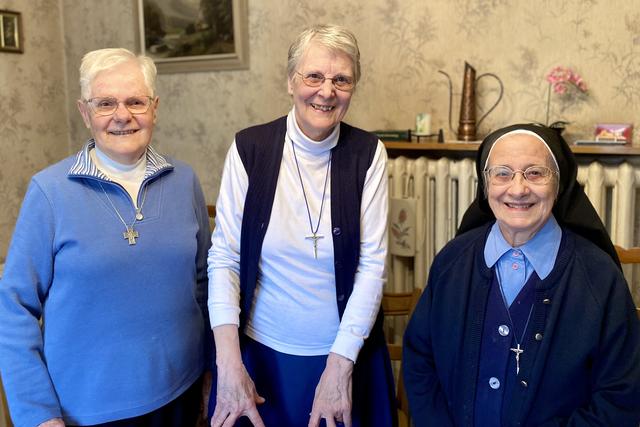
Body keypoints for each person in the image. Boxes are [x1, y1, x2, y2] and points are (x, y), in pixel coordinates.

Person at [0, 48, 212, 427]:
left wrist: (212, 371)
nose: (122, 115)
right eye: (105, 103)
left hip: (182, 395)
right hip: (85, 411)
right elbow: (13, 309)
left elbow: (204, 286)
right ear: (85, 112)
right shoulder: (49, 192)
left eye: (135, 101)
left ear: (155, 107)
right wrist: (37, 414)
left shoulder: (184, 181)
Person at [207, 24, 395, 427]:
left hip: (343, 356)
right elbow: (224, 256)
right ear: (291, 82)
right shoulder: (249, 149)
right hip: (263, 356)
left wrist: (340, 365)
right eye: (313, 76)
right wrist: (228, 361)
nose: (326, 91)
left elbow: (371, 266)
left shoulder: (369, 154)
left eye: (341, 80)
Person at [403, 123, 640, 426]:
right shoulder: (452, 261)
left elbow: (620, 396)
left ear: (559, 183)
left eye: (535, 173)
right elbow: (420, 360)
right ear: (485, 183)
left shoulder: (600, 278)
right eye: (502, 173)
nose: (517, 189)